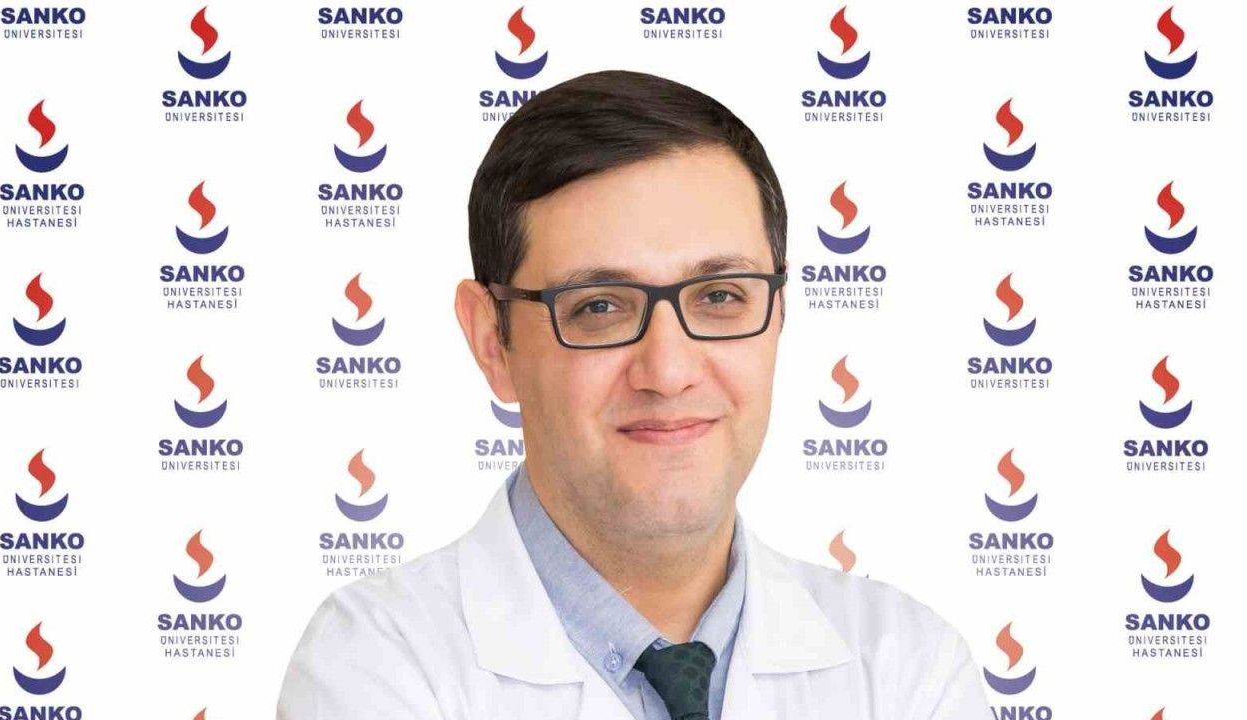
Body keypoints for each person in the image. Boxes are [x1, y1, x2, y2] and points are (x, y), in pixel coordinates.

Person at [277, 69, 991, 720]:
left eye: (720, 296)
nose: (668, 371)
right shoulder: (375, 665)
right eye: (599, 307)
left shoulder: (907, 669)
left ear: (778, 314)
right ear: (493, 341)